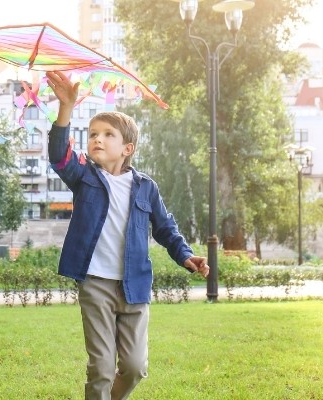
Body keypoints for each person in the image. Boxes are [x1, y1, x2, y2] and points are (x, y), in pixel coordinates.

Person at [44, 70, 210, 400]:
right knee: (102, 367)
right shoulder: (83, 177)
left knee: (134, 367)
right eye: (93, 134)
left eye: (108, 134)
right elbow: (58, 155)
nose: (98, 139)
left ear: (127, 147)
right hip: (95, 283)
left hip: (134, 284)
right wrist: (66, 108)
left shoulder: (146, 187)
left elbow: (165, 228)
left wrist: (186, 255)